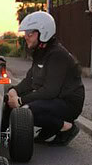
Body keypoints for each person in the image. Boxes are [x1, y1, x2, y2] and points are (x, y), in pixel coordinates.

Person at [6, 11, 85, 146]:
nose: (26, 36)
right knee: (9, 100)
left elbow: (50, 91)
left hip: (68, 103)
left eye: (30, 33)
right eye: (26, 33)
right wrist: (13, 91)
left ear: (43, 32)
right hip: (55, 100)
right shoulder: (41, 52)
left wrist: (20, 100)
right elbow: (30, 80)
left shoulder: (57, 55)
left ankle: (67, 128)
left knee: (25, 110)